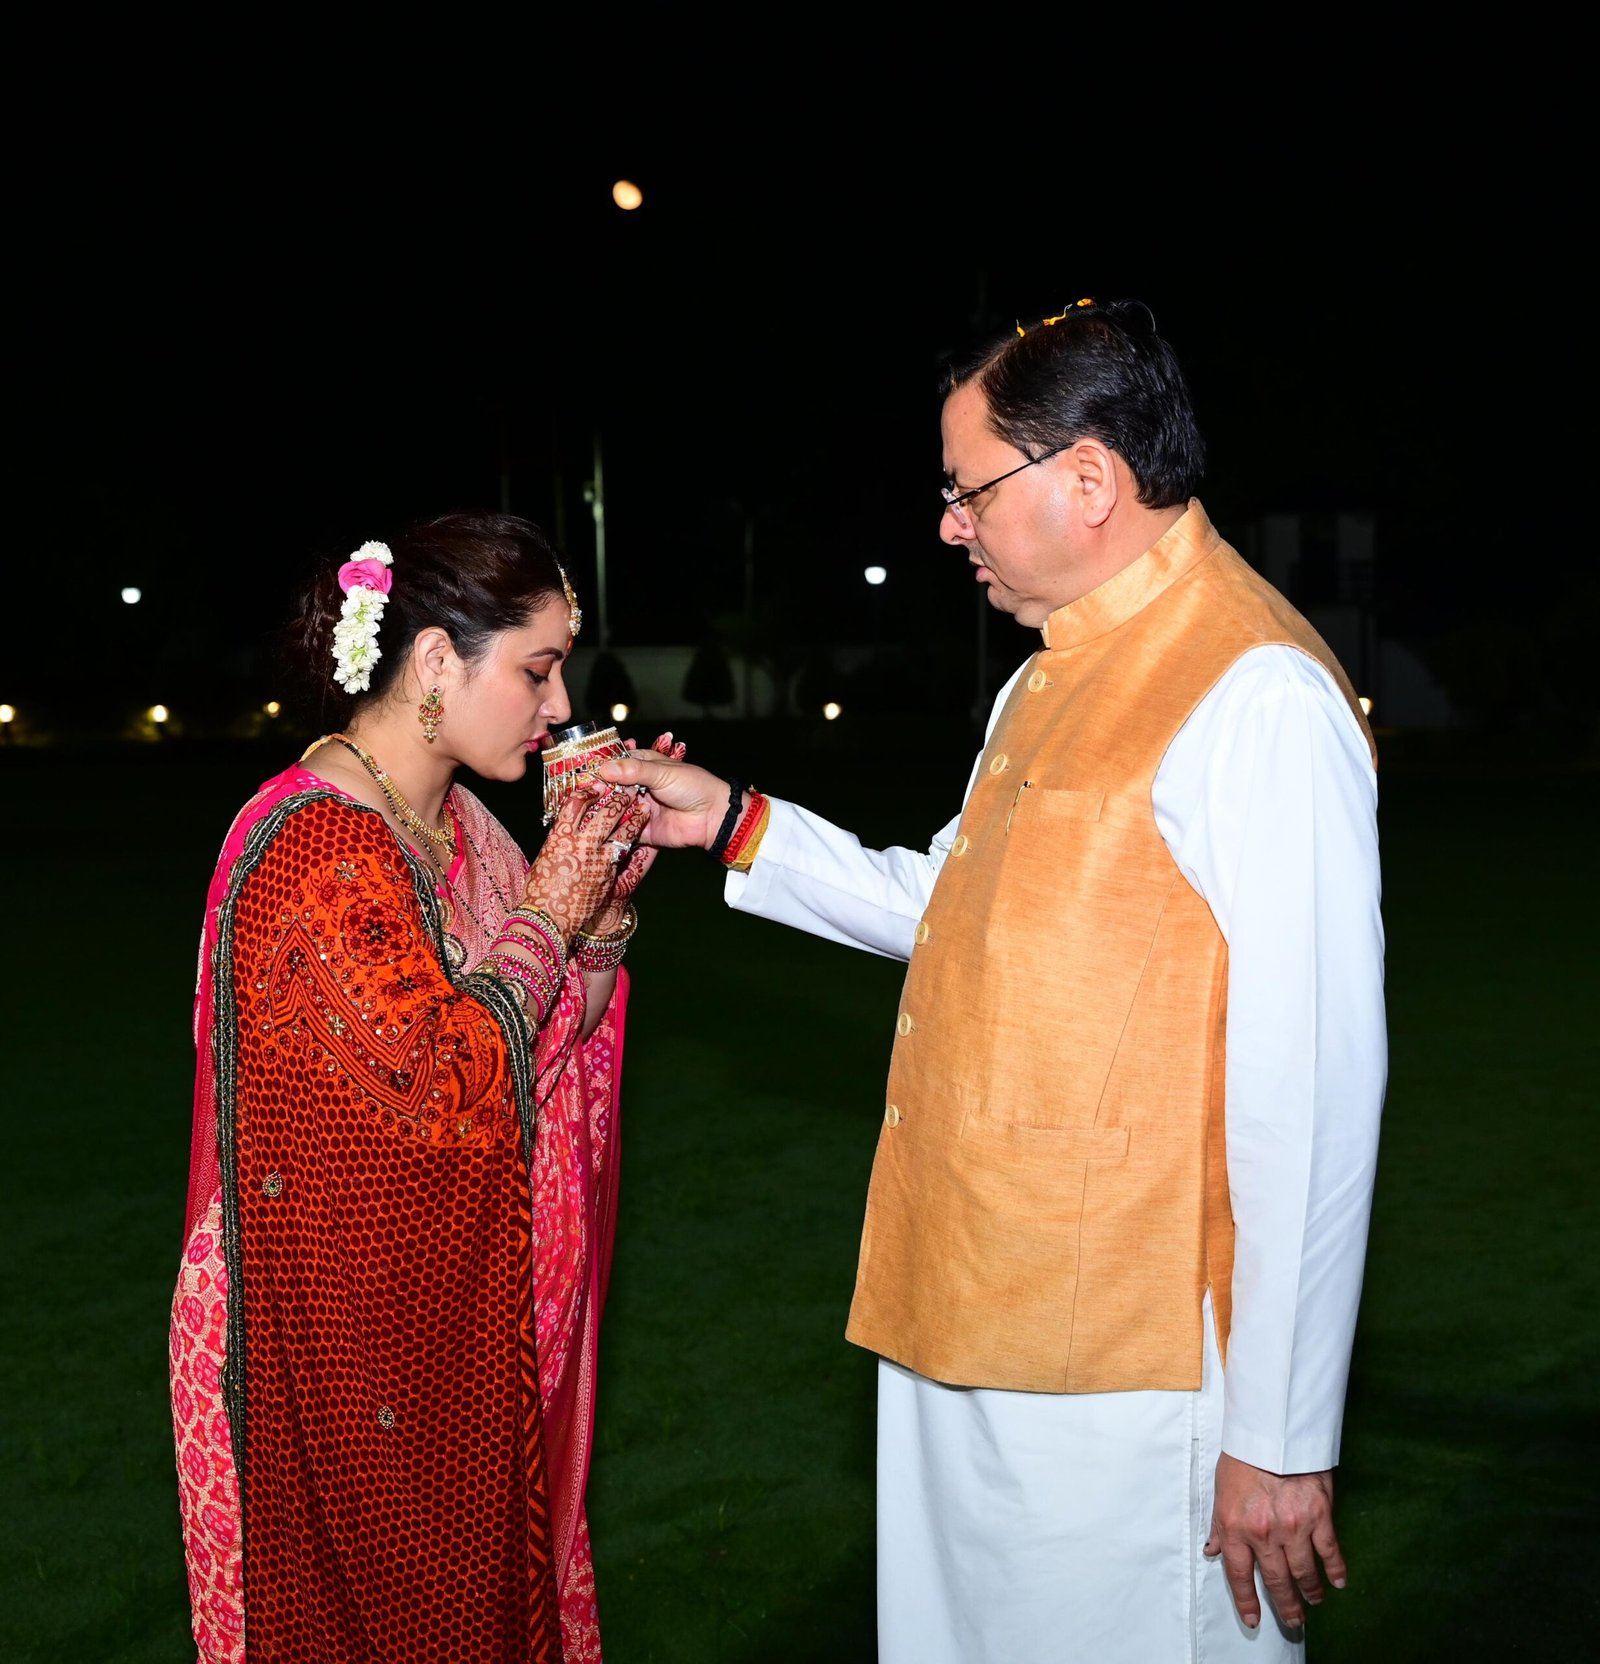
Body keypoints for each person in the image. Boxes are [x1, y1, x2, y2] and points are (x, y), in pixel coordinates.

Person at [599, 297, 1388, 1661]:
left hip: (1128, 1372)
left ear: (1088, 479)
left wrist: (1277, 1435)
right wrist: (730, 820)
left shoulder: (1256, 693)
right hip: (960, 1298)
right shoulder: (1047, 678)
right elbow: (960, 909)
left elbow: (1313, 1089)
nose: (948, 525)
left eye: (967, 490)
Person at [170, 511, 674, 1663]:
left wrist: (599, 908)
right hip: (331, 1358)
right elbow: (448, 1085)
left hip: (455, 1340)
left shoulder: (458, 822)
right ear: (438, 660)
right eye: (537, 669)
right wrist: (550, 910)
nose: (559, 705)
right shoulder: (314, 847)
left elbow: (550, 1030)